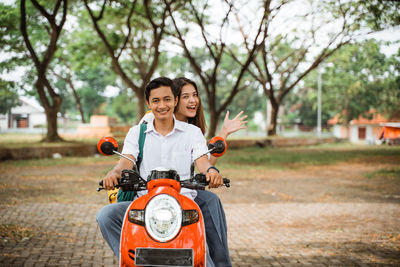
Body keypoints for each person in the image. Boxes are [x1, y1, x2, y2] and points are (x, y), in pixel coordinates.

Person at [97, 77, 224, 266]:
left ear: (175, 100)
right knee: (106, 215)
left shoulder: (192, 133)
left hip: (184, 206)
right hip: (145, 205)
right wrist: (114, 173)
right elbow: (126, 161)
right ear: (148, 104)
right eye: (156, 101)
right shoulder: (136, 132)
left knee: (202, 259)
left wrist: (212, 171)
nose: (162, 105)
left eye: (167, 99)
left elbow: (202, 161)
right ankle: (132, 259)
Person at [140, 77, 247, 266]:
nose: (193, 101)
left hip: (184, 190)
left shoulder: (193, 130)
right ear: (174, 100)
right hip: (153, 190)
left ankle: (219, 261)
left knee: (210, 200)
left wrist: (223, 134)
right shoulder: (150, 122)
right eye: (186, 96)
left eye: (195, 96)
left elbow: (204, 165)